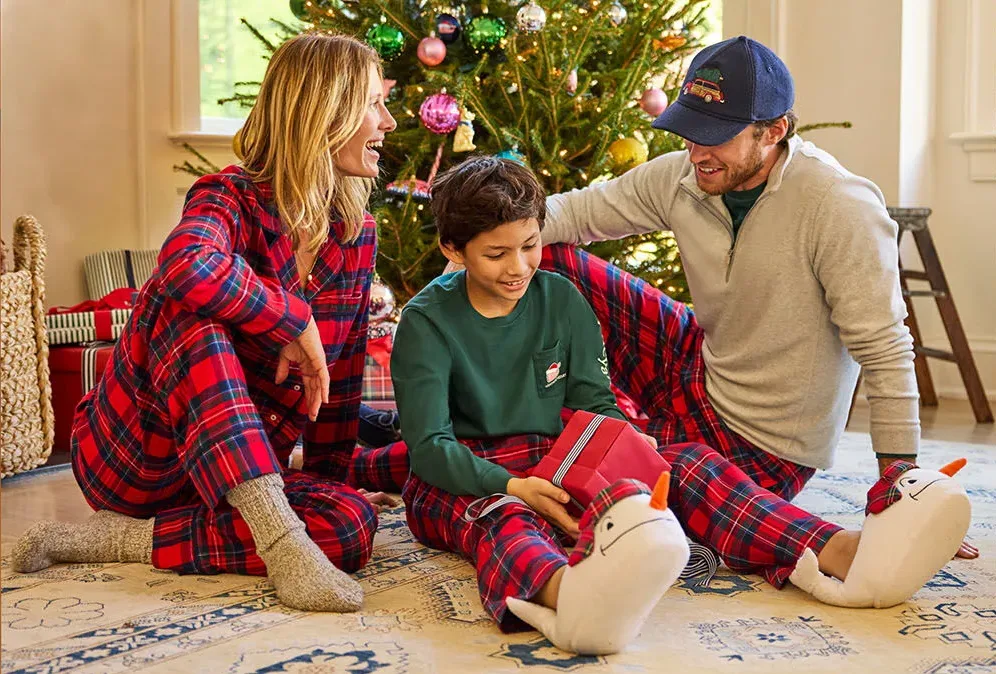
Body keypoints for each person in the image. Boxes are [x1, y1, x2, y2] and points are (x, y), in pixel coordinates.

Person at [387, 156, 949, 645]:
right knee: (505, 520)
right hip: (467, 474)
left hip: (555, 453)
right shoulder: (425, 323)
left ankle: (843, 552)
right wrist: (513, 485)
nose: (518, 268)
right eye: (496, 254)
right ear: (452, 250)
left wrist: (624, 448)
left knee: (687, 464)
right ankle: (570, 595)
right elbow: (430, 448)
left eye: (530, 245)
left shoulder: (559, 296)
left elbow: (595, 402)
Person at [532, 35, 979, 558]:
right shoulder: (684, 174)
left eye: (714, 136)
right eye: (689, 131)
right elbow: (570, 214)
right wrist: (477, 245)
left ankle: (836, 551)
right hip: (700, 369)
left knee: (647, 482)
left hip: (767, 443)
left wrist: (902, 482)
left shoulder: (838, 205)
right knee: (546, 257)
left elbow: (885, 350)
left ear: (774, 131)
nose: (696, 152)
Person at [12, 33, 402, 610]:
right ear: (325, 112)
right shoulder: (230, 195)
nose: (388, 121)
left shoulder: (356, 234)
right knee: (189, 306)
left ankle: (122, 541)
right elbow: (186, 263)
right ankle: (278, 538)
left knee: (349, 526)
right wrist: (292, 318)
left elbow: (336, 385)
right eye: (373, 102)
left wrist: (330, 485)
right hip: (136, 456)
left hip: (233, 476)